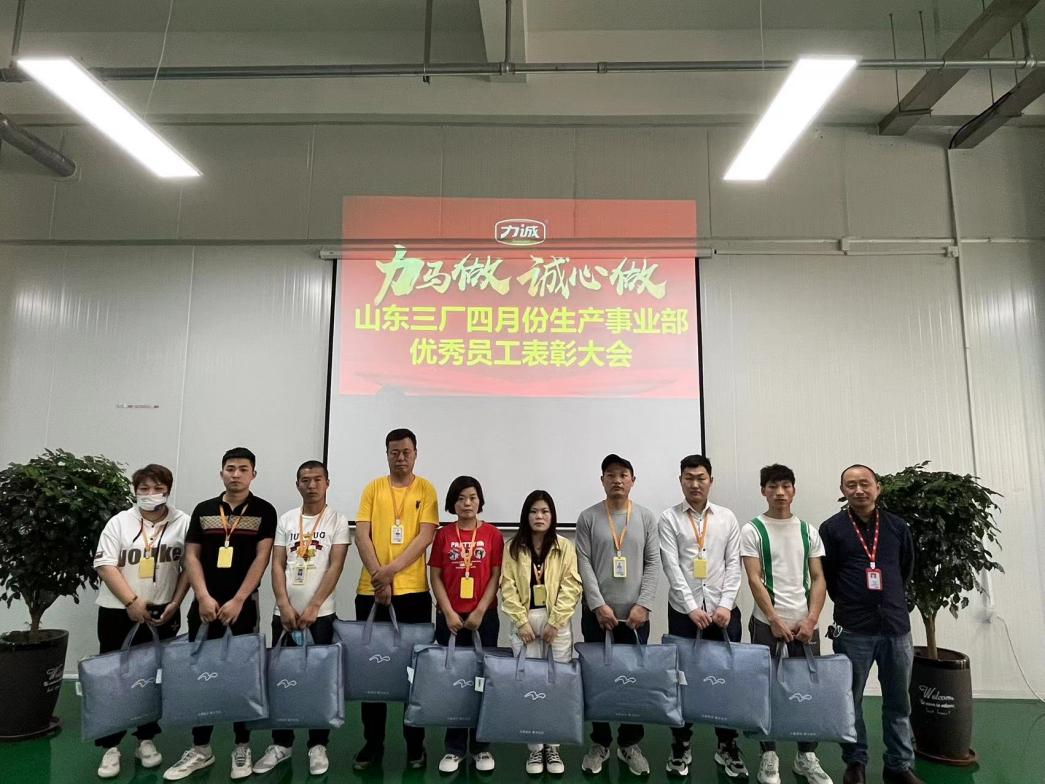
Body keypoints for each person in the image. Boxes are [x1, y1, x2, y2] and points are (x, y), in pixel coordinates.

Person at [163, 447, 277, 782]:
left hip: (242, 607)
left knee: (242, 676)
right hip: (205, 607)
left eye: (243, 469)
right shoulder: (204, 510)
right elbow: (192, 556)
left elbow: (262, 558)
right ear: (222, 472)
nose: (236, 474)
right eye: (230, 468)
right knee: (203, 675)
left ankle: (242, 746)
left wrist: (239, 599)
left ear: (253, 474)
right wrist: (202, 596)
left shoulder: (264, 511)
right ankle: (201, 748)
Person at [820, 465, 922, 784]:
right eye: (851, 485)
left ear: (878, 487)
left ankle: (899, 765)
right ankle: (855, 762)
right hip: (853, 628)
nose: (858, 490)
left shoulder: (897, 526)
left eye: (864, 483)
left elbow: (905, 569)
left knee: (898, 701)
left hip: (895, 627)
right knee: (850, 700)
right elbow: (827, 576)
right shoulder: (832, 529)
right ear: (843, 491)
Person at [252, 460, 351, 777]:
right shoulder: (286, 519)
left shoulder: (337, 520)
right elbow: (277, 564)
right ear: (297, 484)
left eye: (317, 479)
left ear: (327, 483)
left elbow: (336, 565)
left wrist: (314, 606)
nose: (311, 485)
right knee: (283, 679)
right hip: (285, 615)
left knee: (317, 681)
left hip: (320, 616)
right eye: (305, 480)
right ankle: (281, 744)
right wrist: (283, 604)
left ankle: (317, 744)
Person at [93, 464, 191, 779]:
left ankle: (146, 739)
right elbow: (106, 565)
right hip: (118, 611)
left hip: (163, 612)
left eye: (157, 488)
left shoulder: (183, 522)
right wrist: (131, 602)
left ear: (168, 490)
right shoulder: (119, 522)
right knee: (115, 678)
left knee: (153, 677)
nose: (151, 494)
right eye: (144, 489)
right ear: (135, 491)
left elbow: (190, 567)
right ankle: (110, 745)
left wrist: (176, 602)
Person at [352, 427, 439, 771]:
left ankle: (415, 744)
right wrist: (379, 576)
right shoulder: (373, 488)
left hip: (414, 593)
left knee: (413, 671)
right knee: (372, 670)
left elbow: (424, 538)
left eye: (406, 452)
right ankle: (372, 743)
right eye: (394, 452)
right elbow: (362, 536)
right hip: (370, 592)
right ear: (386, 454)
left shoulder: (426, 489)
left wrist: (388, 573)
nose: (400, 457)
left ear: (415, 453)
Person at [741, 464, 832, 784]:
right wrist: (774, 618)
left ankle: (806, 755)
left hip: (805, 625)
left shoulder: (808, 531)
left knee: (806, 690)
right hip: (766, 624)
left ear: (794, 490)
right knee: (766, 688)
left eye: (785, 486)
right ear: (763, 491)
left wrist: (812, 619)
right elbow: (754, 578)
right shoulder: (753, 529)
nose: (779, 492)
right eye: (772, 486)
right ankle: (768, 754)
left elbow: (818, 577)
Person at [659, 454, 746, 779]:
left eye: (701, 478)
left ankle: (727, 744)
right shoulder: (669, 518)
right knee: (683, 678)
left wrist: (725, 605)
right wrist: (692, 608)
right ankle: (681, 744)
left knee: (725, 678)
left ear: (711, 480)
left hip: (724, 612)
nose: (695, 484)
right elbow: (672, 566)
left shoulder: (726, 517)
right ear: (680, 480)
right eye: (689, 478)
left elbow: (734, 564)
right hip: (685, 613)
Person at [576, 453, 660, 777]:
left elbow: (653, 563)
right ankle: (600, 742)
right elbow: (583, 562)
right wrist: (598, 605)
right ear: (602, 481)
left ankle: (630, 744)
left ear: (632, 481)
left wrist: (644, 604)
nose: (617, 480)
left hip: (636, 617)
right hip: (598, 616)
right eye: (610, 474)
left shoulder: (646, 518)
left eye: (623, 474)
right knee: (598, 679)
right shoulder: (588, 517)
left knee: (632, 682)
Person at [501, 489, 583, 776]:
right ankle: (535, 748)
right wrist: (521, 622)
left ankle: (553, 746)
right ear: (526, 515)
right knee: (530, 684)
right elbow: (507, 586)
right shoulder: (513, 547)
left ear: (552, 516)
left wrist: (556, 621)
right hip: (524, 622)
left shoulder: (564, 546)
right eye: (534, 511)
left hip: (555, 623)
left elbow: (572, 585)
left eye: (545, 511)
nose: (539, 516)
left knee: (556, 683)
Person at [429, 476, 504, 773]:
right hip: (450, 619)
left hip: (484, 619)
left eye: (472, 497)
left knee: (483, 681)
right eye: (460, 498)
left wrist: (480, 611)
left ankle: (481, 747)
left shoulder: (493, 534)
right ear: (453, 503)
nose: (467, 503)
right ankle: (454, 748)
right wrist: (448, 612)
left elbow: (496, 575)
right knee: (454, 683)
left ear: (480, 500)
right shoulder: (444, 535)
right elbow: (435, 575)